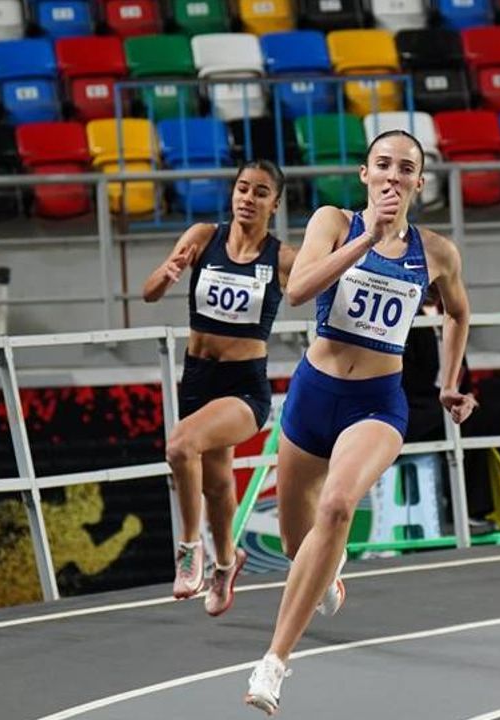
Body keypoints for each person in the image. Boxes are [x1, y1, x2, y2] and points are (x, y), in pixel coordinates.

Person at [244, 130, 476, 715]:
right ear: (365, 174)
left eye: (406, 168)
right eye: (383, 165)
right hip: (312, 395)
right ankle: (326, 571)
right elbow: (298, 291)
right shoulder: (333, 222)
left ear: (419, 181)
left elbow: (458, 312)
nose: (394, 175)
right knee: (299, 546)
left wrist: (448, 382)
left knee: (337, 506)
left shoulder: (437, 253)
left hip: (376, 403)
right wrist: (368, 238)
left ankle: (274, 662)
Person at [142, 159, 295, 617]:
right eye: (243, 188)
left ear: (275, 204)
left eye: (261, 192)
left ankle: (190, 548)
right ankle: (227, 564)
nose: (248, 198)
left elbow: (323, 286)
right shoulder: (203, 237)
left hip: (243, 387)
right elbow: (149, 293)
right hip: (197, 378)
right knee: (217, 483)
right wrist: (167, 274)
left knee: (180, 446)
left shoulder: (282, 259)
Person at [402, 285, 500, 535]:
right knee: (469, 421)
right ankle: (471, 511)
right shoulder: (407, 320)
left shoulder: (451, 316)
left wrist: (467, 397)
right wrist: (450, 401)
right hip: (416, 411)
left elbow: (462, 372)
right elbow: (408, 383)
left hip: (447, 403)